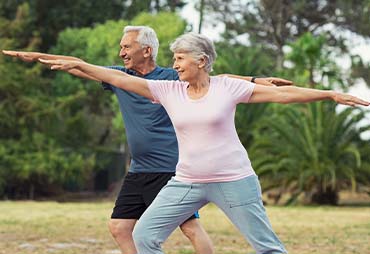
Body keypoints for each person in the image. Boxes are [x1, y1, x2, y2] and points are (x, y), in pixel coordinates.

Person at [34, 32, 369, 254]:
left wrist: (329, 93)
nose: (175, 64)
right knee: (144, 236)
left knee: (267, 248)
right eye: (174, 58)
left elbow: (283, 95)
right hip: (187, 181)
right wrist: (79, 64)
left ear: (201, 61)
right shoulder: (168, 91)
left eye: (180, 58)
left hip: (234, 180)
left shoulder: (227, 87)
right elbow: (118, 77)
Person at [2, 26, 294, 254]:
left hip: (171, 168)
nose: (121, 53)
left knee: (190, 229)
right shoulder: (121, 77)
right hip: (139, 168)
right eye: (120, 48)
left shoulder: (171, 78)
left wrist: (254, 81)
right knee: (120, 227)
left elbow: (217, 78)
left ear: (147, 50)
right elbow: (83, 65)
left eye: (127, 47)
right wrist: (39, 57)